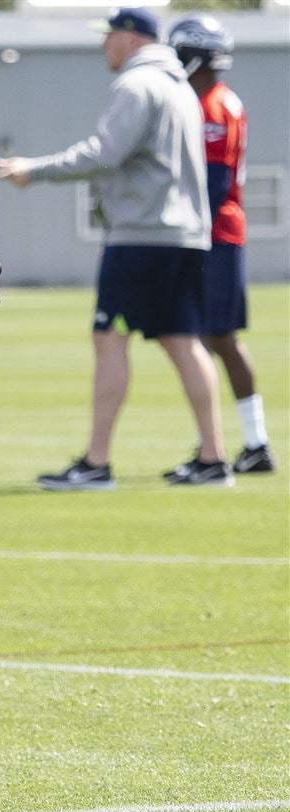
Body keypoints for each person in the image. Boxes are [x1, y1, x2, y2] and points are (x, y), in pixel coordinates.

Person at [0, 6, 230, 490]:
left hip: (142, 236)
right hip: (184, 236)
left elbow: (104, 154)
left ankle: (96, 463)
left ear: (129, 37)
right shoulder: (180, 87)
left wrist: (33, 170)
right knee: (184, 341)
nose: (104, 44)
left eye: (109, 36)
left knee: (109, 338)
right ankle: (214, 458)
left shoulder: (136, 84)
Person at [166, 15, 276, 476]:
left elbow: (213, 182)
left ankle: (227, 448)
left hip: (213, 236)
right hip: (213, 233)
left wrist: (178, 227)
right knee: (213, 339)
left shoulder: (213, 105)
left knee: (209, 339)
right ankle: (246, 445)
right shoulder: (208, 100)